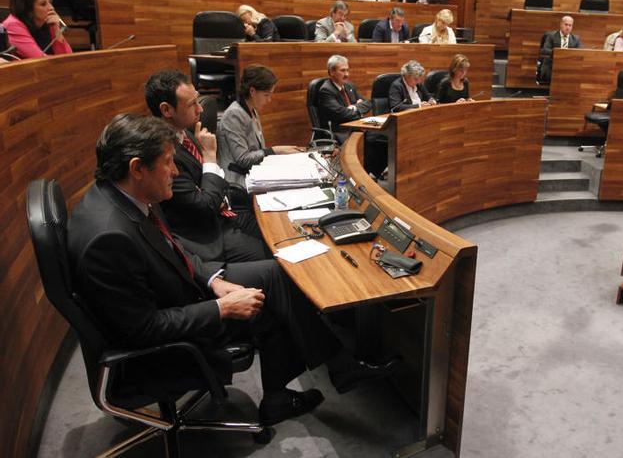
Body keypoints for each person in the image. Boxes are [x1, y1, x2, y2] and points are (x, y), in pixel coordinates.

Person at [68, 114, 396, 424]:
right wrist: (220, 307)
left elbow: (171, 247)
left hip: (179, 290)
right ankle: (316, 379)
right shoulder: (109, 238)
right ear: (137, 168)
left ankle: (331, 371)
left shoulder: (123, 196)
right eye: (168, 162)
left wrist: (213, 280)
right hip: (166, 341)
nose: (176, 172)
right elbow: (143, 330)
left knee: (277, 275)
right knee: (270, 301)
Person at [145, 70, 270, 263]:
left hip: (227, 212)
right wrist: (210, 157)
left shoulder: (186, 132)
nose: (200, 109)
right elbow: (204, 207)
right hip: (211, 234)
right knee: (277, 256)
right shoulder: (164, 155)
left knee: (279, 232)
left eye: (198, 100)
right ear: (166, 110)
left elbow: (208, 189)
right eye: (192, 104)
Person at [217, 65, 304, 191]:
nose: (269, 100)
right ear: (252, 91)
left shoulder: (252, 110)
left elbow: (258, 150)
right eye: (266, 95)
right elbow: (242, 159)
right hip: (237, 180)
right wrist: (274, 151)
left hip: (253, 172)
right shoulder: (234, 114)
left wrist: (276, 153)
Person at [2, 0, 72, 59]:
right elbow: (39, 59)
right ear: (28, 10)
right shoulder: (13, 25)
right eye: (43, 4)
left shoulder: (47, 21)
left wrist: (56, 29)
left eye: (50, 3)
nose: (51, 8)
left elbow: (68, 58)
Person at [318, 54, 372, 140]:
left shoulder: (349, 86)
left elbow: (368, 103)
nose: (347, 74)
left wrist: (354, 107)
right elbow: (342, 113)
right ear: (332, 72)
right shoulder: (326, 90)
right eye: (342, 71)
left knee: (380, 135)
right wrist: (359, 109)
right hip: (341, 131)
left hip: (355, 125)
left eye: (347, 70)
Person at [537, 15, 581, 82]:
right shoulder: (551, 36)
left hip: (568, 66)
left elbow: (581, 52)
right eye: (566, 25)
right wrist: (559, 53)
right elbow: (544, 50)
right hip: (552, 65)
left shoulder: (576, 39)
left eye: (570, 25)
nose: (568, 27)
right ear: (561, 24)